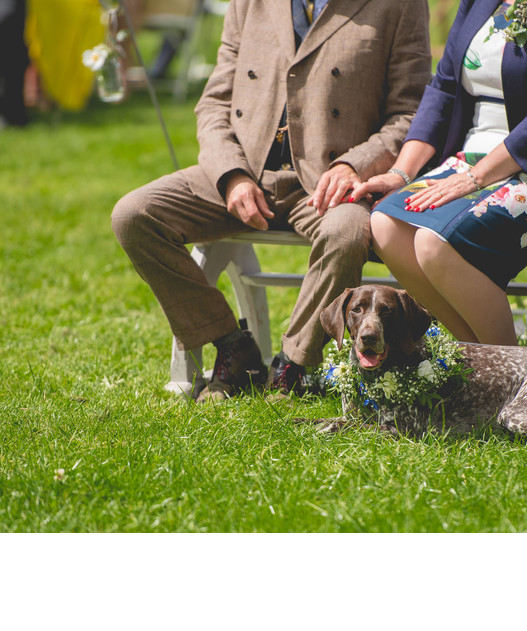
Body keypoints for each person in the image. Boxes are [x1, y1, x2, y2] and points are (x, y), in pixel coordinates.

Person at [112, 0, 431, 400]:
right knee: (135, 215)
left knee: (348, 232)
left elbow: (410, 112)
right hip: (243, 168)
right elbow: (214, 102)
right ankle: (232, 347)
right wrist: (230, 174)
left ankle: (292, 365)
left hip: (329, 184)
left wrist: (355, 164)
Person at [351, 0, 527, 348]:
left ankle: (509, 380)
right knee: (386, 225)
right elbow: (444, 87)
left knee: (436, 243)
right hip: (480, 161)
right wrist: (401, 172)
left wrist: (475, 178)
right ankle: (478, 367)